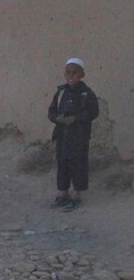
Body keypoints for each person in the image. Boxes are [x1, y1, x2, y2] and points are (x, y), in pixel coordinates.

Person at [47, 57, 99, 211]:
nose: (71, 76)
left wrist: (75, 119)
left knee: (78, 165)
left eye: (74, 73)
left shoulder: (86, 94)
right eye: (68, 72)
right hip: (63, 135)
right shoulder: (61, 92)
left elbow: (93, 112)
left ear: (81, 74)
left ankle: (77, 196)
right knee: (62, 163)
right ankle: (63, 194)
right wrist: (57, 118)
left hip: (79, 136)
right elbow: (52, 111)